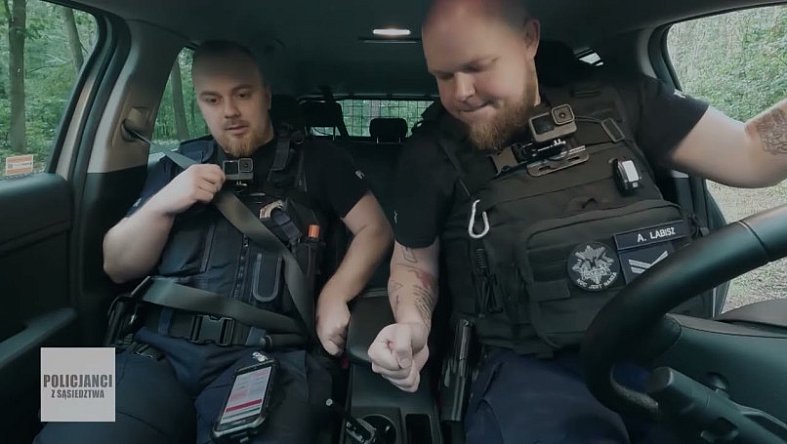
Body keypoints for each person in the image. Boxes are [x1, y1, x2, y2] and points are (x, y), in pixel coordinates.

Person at [367, 0, 787, 442]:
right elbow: (413, 263)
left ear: (529, 39)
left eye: (477, 67)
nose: (461, 93)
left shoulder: (622, 100)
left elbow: (752, 154)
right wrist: (412, 326)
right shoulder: (429, 155)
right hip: (532, 369)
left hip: (665, 346)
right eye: (443, 76)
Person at [36, 40, 392, 444]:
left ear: (266, 95)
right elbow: (115, 265)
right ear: (200, 104)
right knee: (62, 433)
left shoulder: (320, 159)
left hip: (268, 357)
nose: (229, 111)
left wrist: (334, 296)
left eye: (243, 94)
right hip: (146, 350)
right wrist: (164, 204)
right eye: (212, 99)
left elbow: (377, 229)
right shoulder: (175, 165)